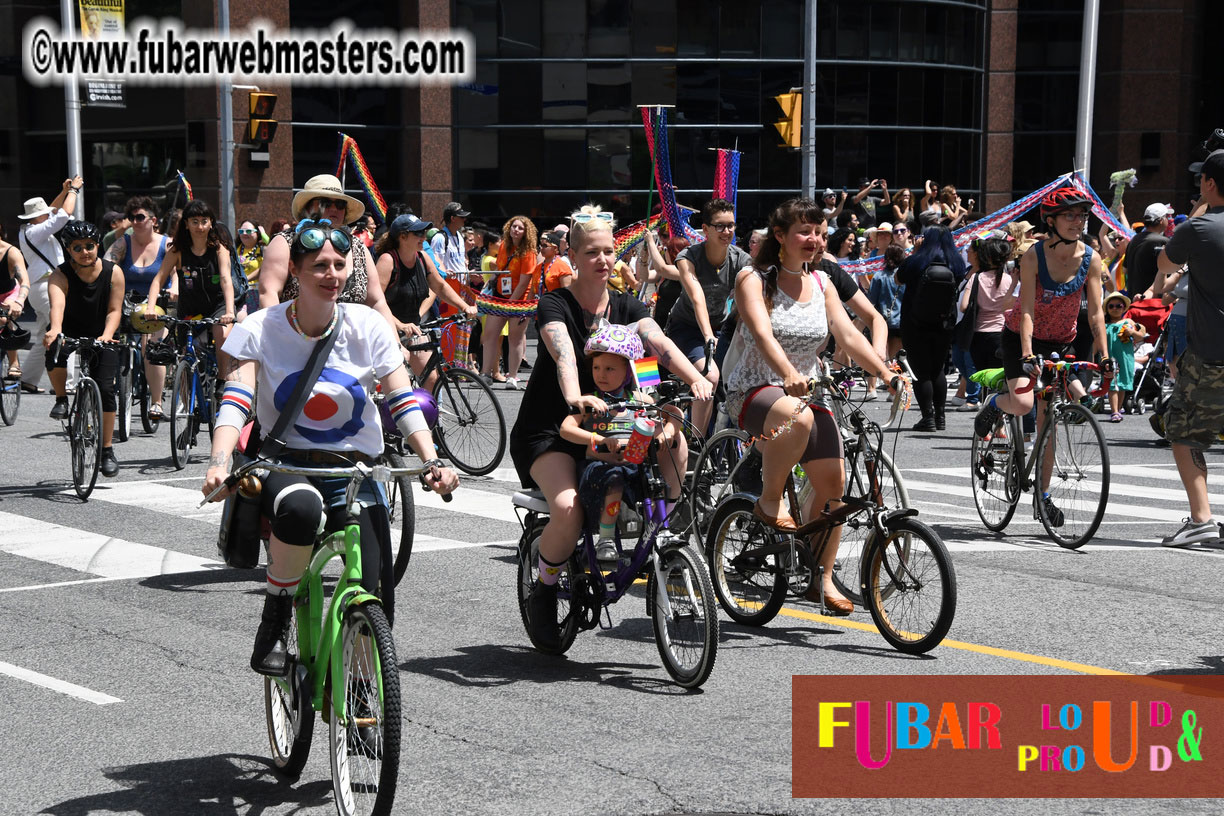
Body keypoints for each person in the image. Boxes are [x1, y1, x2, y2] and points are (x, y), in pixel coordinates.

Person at [202, 219, 458, 675]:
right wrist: (220, 463)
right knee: (300, 510)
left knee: (376, 587)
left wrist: (431, 459)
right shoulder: (262, 328)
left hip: (357, 468)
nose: (332, 274)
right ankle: (276, 618)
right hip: (287, 462)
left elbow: (400, 397)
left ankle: (363, 701)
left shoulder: (368, 326)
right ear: (294, 272)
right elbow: (237, 399)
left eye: (340, 265)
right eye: (319, 265)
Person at [512, 204, 713, 649]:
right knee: (567, 509)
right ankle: (544, 589)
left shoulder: (627, 303)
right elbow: (562, 351)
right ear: (574, 254)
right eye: (591, 253)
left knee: (672, 437)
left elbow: (656, 343)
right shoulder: (555, 302)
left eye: (608, 251)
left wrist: (696, 378)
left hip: (617, 422)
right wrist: (573, 395)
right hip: (555, 430)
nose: (602, 260)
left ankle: (668, 530)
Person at [723, 197, 901, 615]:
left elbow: (850, 337)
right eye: (805, 231)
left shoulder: (822, 283)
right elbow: (762, 333)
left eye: (820, 233)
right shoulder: (754, 278)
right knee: (797, 415)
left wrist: (888, 374)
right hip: (754, 388)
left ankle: (820, 579)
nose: (815, 240)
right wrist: (787, 372)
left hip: (804, 394)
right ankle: (769, 499)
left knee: (833, 488)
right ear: (780, 237)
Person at [974, 188, 1111, 524]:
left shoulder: (1091, 258)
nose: (1078, 222)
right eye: (1070, 216)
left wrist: (1105, 357)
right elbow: (1026, 311)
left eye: (1082, 216)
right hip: (1021, 336)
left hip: (1062, 341)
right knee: (1022, 404)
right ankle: (994, 405)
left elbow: (1095, 314)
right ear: (1050, 221)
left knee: (1048, 423)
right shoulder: (1034, 255)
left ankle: (1042, 496)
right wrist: (1026, 354)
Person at [559, 323, 681, 562]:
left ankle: (655, 535)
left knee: (656, 484)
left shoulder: (641, 399)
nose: (601, 374)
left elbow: (674, 412)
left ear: (628, 373)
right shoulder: (593, 402)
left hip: (634, 465)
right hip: (598, 469)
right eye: (596, 367)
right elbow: (566, 428)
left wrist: (667, 432)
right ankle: (605, 538)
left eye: (609, 369)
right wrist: (600, 439)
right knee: (614, 479)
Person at [1153, 150, 1224, 547]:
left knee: (1184, 430)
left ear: (1209, 183)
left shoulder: (1200, 229)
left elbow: (1164, 262)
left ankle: (1201, 518)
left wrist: (1198, 211)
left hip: (1212, 350)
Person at [257, 175, 401, 337]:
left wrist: (395, 343)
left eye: (340, 204)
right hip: (299, 342)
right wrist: (281, 341)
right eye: (325, 202)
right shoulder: (285, 242)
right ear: (307, 208)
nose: (334, 209)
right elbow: (268, 294)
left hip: (354, 348)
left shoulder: (358, 247)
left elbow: (377, 302)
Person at [44, 221, 125, 476]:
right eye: (77, 248)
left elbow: (114, 310)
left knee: (106, 389)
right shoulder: (59, 274)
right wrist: (56, 330)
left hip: (104, 332)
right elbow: (56, 307)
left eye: (89, 246)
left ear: (97, 246)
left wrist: (106, 335)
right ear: (68, 250)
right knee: (53, 352)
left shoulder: (114, 272)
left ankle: (107, 450)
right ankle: (60, 399)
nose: (84, 252)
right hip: (69, 329)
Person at [666, 199, 751, 435]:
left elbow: (754, 297)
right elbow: (697, 298)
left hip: (721, 328)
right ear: (705, 229)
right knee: (711, 376)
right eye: (720, 226)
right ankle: (697, 442)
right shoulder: (688, 257)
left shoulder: (740, 259)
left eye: (731, 226)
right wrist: (707, 336)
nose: (727, 232)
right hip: (687, 328)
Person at [375, 213, 478, 389]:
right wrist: (399, 325)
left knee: (431, 379)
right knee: (397, 385)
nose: (424, 237)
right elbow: (375, 302)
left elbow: (440, 287)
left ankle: (427, 416)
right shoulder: (388, 260)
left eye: (424, 232)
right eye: (418, 233)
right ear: (402, 236)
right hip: (388, 330)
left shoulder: (422, 257)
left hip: (414, 328)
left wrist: (464, 306)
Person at [143, 199, 237, 371]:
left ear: (211, 224)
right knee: (186, 353)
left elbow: (225, 280)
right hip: (189, 309)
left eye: (204, 221)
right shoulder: (177, 251)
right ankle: (185, 389)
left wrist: (230, 311)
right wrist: (150, 308)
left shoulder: (219, 249)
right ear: (186, 224)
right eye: (194, 222)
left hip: (218, 306)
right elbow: (158, 279)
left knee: (222, 335)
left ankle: (222, 380)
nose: (200, 227)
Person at [106, 195, 172, 419]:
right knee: (106, 339)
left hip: (159, 305)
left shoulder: (167, 244)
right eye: (131, 217)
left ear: (153, 220)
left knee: (152, 347)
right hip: (126, 304)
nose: (135, 221)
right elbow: (107, 264)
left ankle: (156, 402)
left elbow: (177, 271)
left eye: (140, 217)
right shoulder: (123, 242)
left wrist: (176, 290)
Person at [898, 226, 967, 431]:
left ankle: (927, 417)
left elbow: (898, 278)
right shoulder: (956, 263)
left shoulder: (917, 260)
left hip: (914, 322)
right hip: (944, 323)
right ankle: (940, 417)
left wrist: (915, 252)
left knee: (920, 370)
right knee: (938, 370)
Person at [18, 177, 82, 394]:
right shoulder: (37, 232)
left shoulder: (30, 229)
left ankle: (28, 379)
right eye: (45, 213)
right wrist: (73, 190)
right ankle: (68, 384)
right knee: (65, 331)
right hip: (47, 287)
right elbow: (61, 215)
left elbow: (53, 211)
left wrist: (63, 192)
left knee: (43, 335)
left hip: (40, 287)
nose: (49, 213)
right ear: (38, 217)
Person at [482, 215, 539, 389]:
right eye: (514, 226)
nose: (516, 230)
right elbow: (498, 271)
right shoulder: (504, 247)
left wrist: (511, 303)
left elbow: (524, 282)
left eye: (520, 228)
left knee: (515, 338)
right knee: (490, 334)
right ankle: (485, 374)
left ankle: (512, 377)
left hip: (520, 301)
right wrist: (488, 288)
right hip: (500, 297)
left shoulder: (529, 252)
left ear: (526, 231)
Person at [1101, 291, 1146, 422]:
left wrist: (1132, 332)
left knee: (1122, 385)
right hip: (1109, 358)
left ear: (1123, 308)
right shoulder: (1103, 324)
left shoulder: (1128, 322)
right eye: (1111, 306)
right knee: (1112, 384)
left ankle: (1118, 408)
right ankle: (1114, 411)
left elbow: (1141, 336)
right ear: (1107, 309)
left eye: (1118, 306)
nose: (1115, 308)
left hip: (1125, 358)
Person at [0, 224, 31, 378]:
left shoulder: (11, 252)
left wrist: (18, 301)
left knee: (4, 317)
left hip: (9, 293)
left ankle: (14, 362)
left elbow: (24, 280)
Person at [1122, 203, 1172, 299]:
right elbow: (1171, 272)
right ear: (1161, 220)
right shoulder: (1163, 241)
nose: (1168, 220)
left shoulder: (1134, 239)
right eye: (1166, 217)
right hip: (1154, 302)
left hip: (1135, 299)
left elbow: (1125, 270)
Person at [235, 219, 266, 313]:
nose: (244, 234)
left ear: (257, 233)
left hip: (257, 293)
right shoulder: (235, 250)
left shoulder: (263, 249)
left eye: (248, 231)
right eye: (241, 231)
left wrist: (264, 234)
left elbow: (264, 269)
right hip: (240, 294)